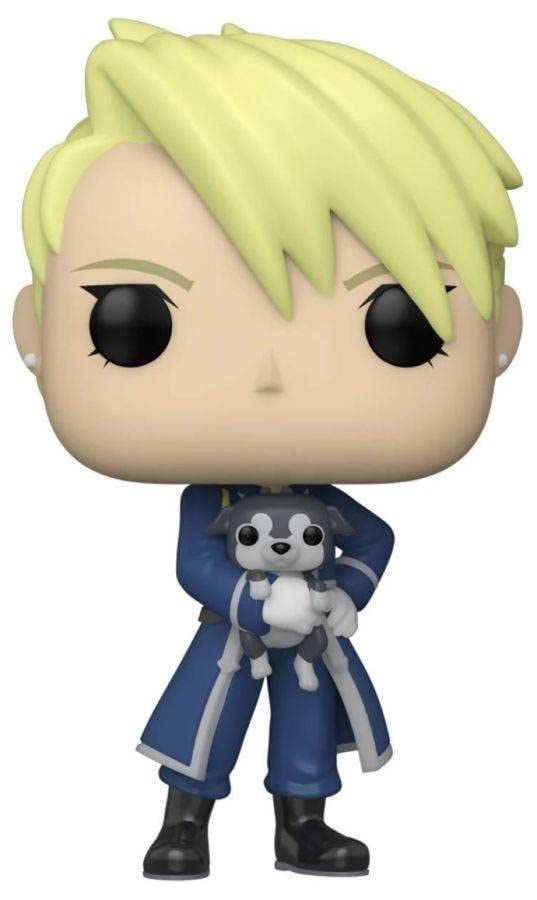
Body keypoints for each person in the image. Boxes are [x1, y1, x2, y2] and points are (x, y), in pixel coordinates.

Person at [13, 19, 522, 879]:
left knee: (306, 730)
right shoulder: (209, 502)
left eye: (398, 327)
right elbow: (194, 564)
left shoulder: (328, 505)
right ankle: (185, 825)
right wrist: (252, 605)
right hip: (231, 637)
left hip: (313, 641)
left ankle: (302, 827)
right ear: (36, 334)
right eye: (135, 323)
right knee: (201, 728)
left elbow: (374, 539)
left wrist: (344, 597)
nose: (269, 376)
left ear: (499, 337)